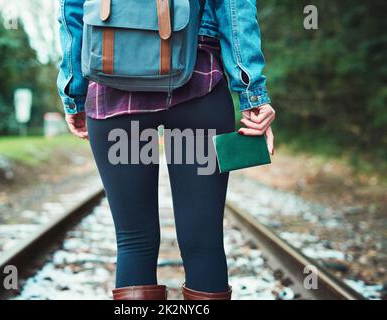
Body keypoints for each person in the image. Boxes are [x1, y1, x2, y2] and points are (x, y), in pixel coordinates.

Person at [57, 0, 276, 300]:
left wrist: (74, 93)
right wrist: (252, 95)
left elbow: (71, 10)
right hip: (198, 82)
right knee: (204, 241)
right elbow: (235, 7)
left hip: (113, 86)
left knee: (134, 241)